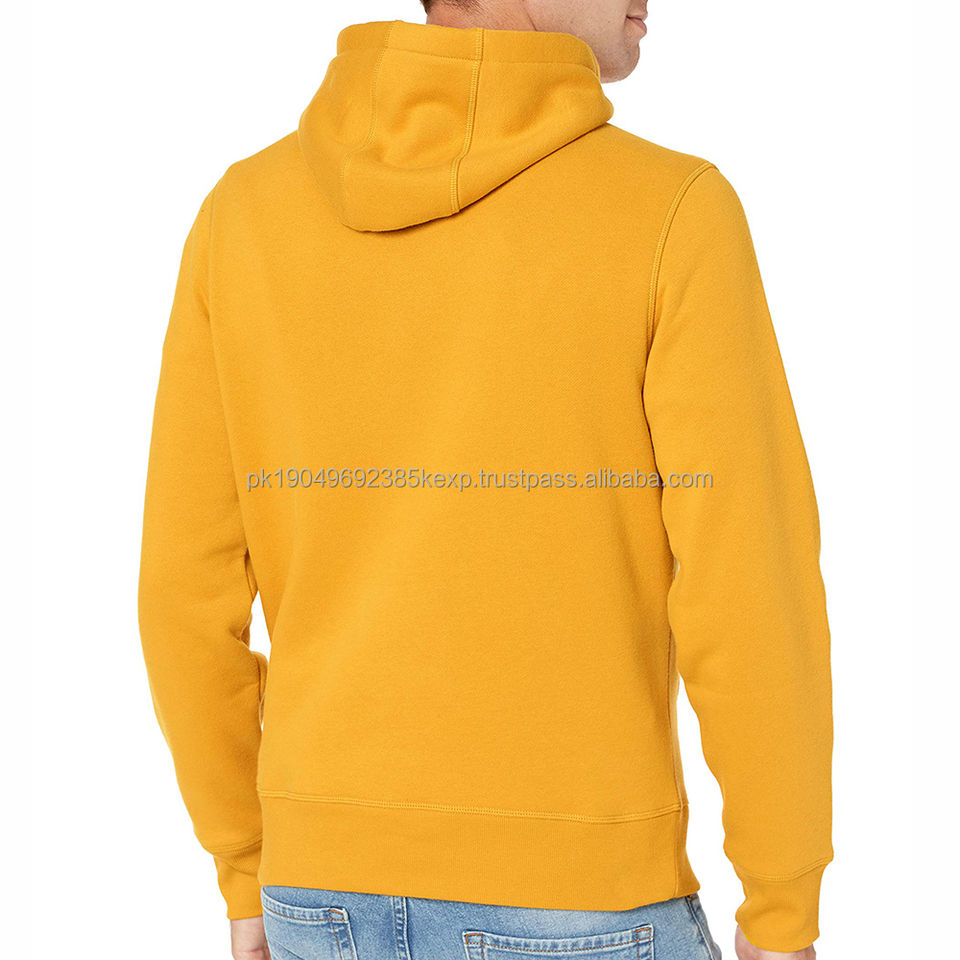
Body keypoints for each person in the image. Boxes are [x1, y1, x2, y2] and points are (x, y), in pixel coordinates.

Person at [137, 1, 833, 959]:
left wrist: (248, 864)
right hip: (582, 898)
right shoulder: (671, 210)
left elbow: (183, 591)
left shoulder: (243, 214)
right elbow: (748, 581)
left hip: (318, 899)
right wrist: (782, 905)